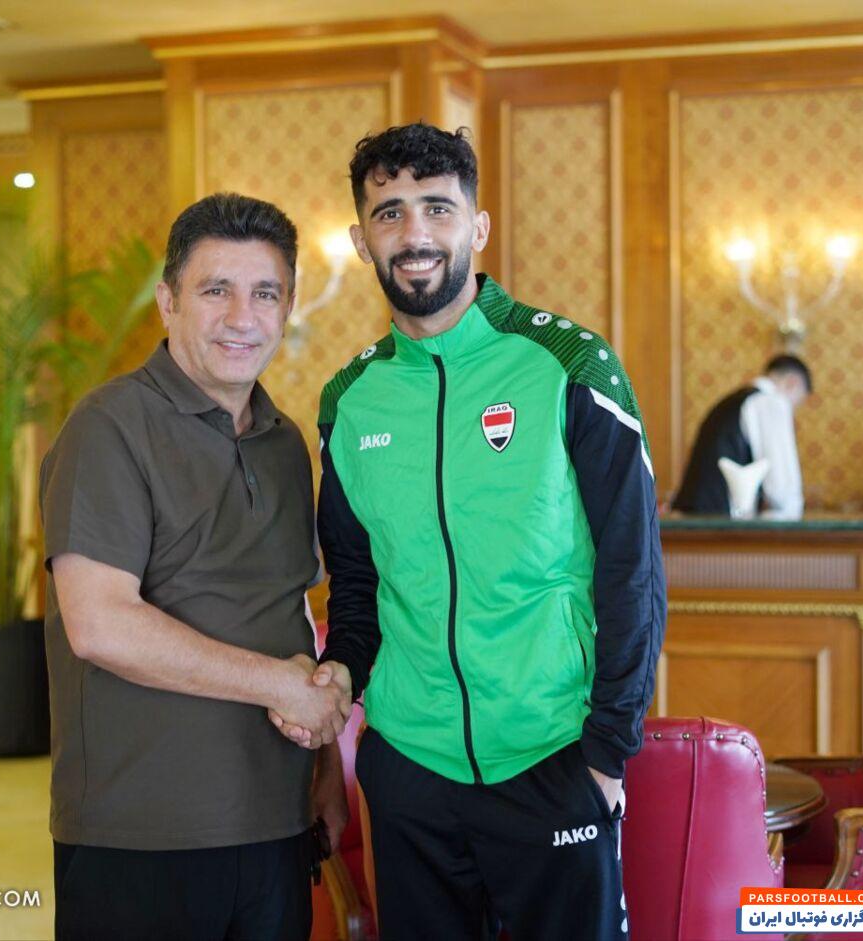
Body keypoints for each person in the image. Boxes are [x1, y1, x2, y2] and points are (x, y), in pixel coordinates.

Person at [271, 123, 666, 940]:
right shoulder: (350, 401)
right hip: (410, 773)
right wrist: (342, 676)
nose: (414, 233)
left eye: (437, 208)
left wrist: (606, 749)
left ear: (477, 227)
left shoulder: (570, 365)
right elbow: (357, 586)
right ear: (361, 240)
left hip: (554, 756)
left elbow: (633, 572)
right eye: (389, 213)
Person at [39, 193, 350, 941]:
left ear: (288, 308)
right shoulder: (107, 427)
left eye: (265, 293)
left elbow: (288, 609)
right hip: (142, 836)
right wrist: (277, 684)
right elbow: (100, 624)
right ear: (168, 302)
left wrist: (325, 772)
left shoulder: (285, 442)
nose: (242, 317)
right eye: (216, 290)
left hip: (276, 825)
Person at [672, 354, 811, 519]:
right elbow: (780, 486)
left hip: (693, 512)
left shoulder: (732, 401)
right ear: (792, 383)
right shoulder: (770, 402)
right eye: (797, 402)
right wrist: (791, 516)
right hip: (720, 519)